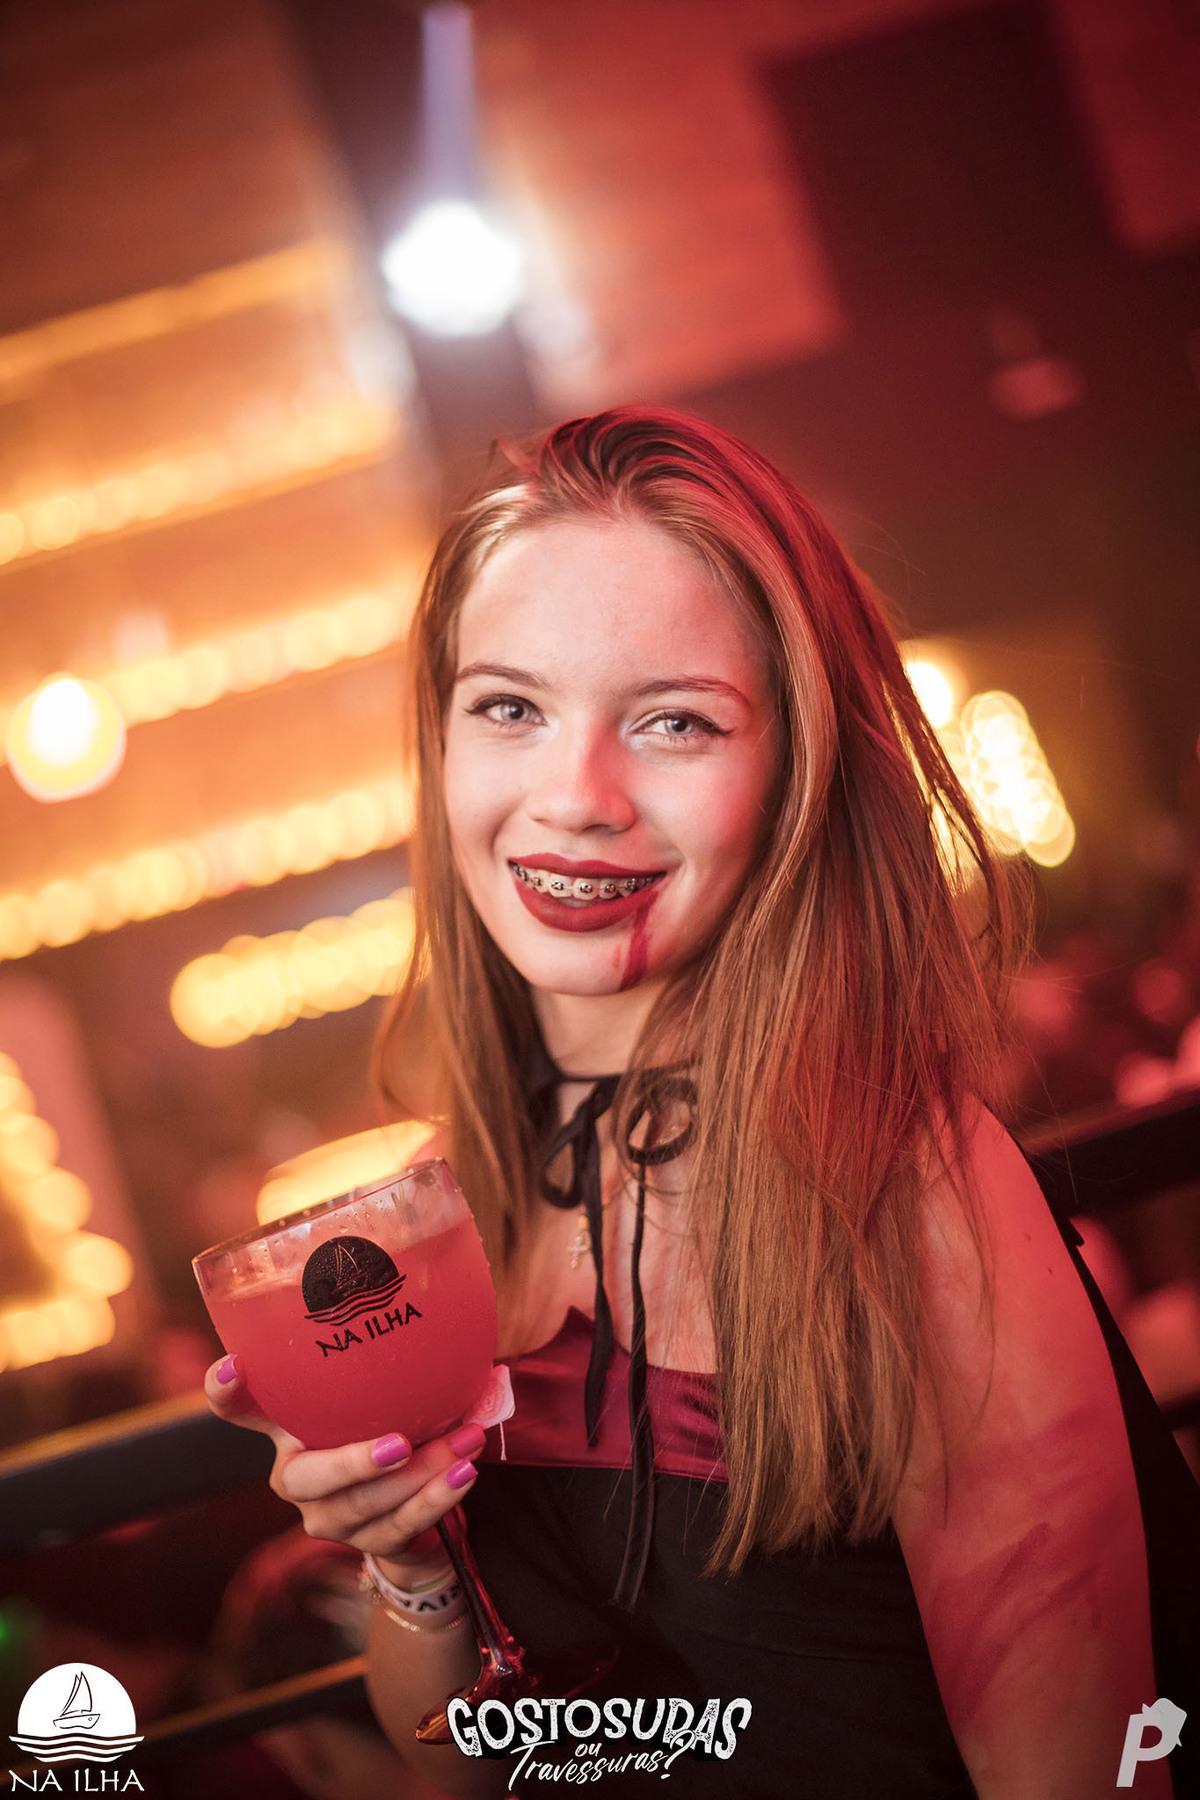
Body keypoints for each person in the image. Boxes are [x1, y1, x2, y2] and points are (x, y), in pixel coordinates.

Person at [206, 408, 1194, 1799]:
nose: (576, 797)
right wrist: (408, 1558)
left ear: (793, 770)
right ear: (441, 744)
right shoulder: (442, 1208)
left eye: (674, 721)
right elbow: (467, 1774)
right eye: (511, 708)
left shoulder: (905, 1192)